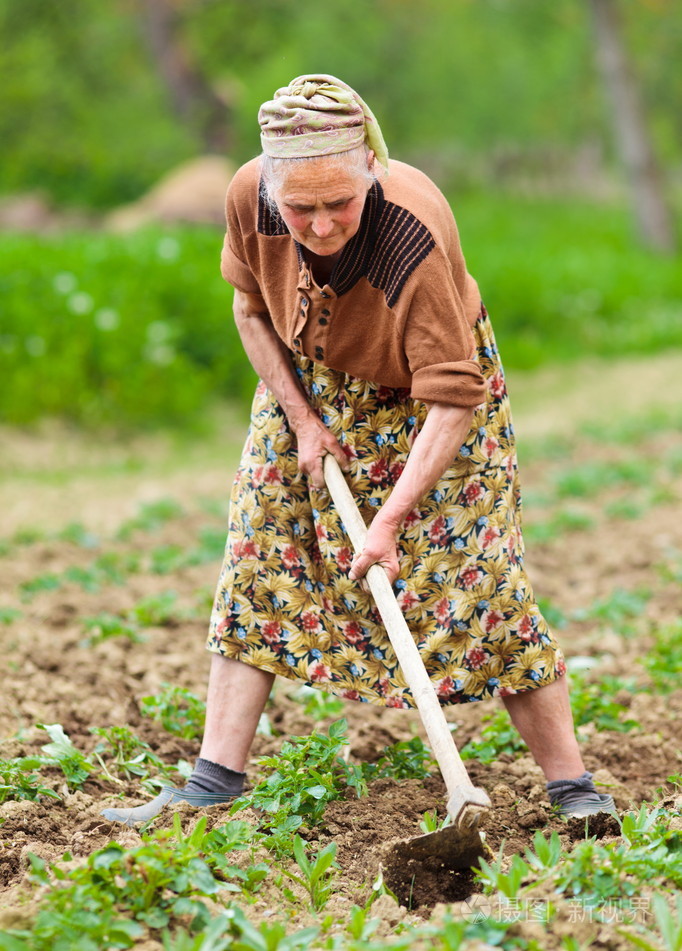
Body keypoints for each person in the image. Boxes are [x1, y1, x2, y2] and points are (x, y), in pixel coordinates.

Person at [103, 74, 615, 825]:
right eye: (299, 207)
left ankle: (573, 788)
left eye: (336, 203)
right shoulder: (249, 196)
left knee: (483, 577)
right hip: (305, 383)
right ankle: (213, 779)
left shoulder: (414, 234)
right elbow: (250, 309)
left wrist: (392, 518)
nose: (317, 225)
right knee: (258, 553)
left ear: (369, 169)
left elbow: (451, 395)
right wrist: (303, 421)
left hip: (430, 402)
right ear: (272, 189)